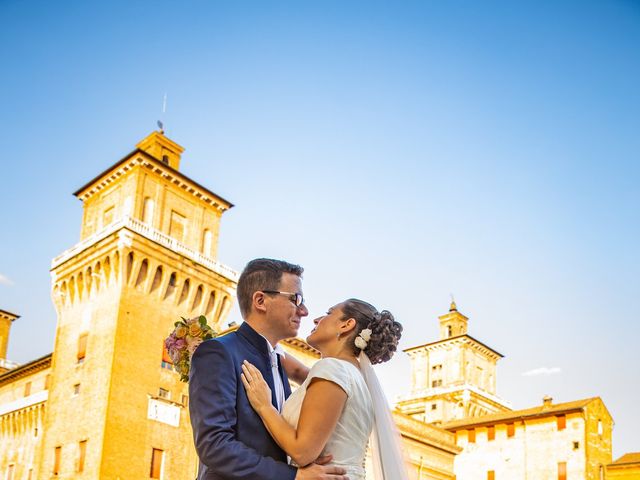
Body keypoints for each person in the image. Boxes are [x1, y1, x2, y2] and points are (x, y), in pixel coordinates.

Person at [189, 258, 348, 480]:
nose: (304, 311)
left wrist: (305, 466)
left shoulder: (277, 361)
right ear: (261, 300)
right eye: (296, 299)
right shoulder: (219, 353)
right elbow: (214, 445)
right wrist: (293, 476)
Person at [241, 298, 409, 480]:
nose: (316, 319)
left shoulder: (333, 369)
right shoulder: (355, 376)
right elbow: (301, 373)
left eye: (329, 313)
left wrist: (264, 406)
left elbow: (302, 451)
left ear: (347, 325)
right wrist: (258, 344)